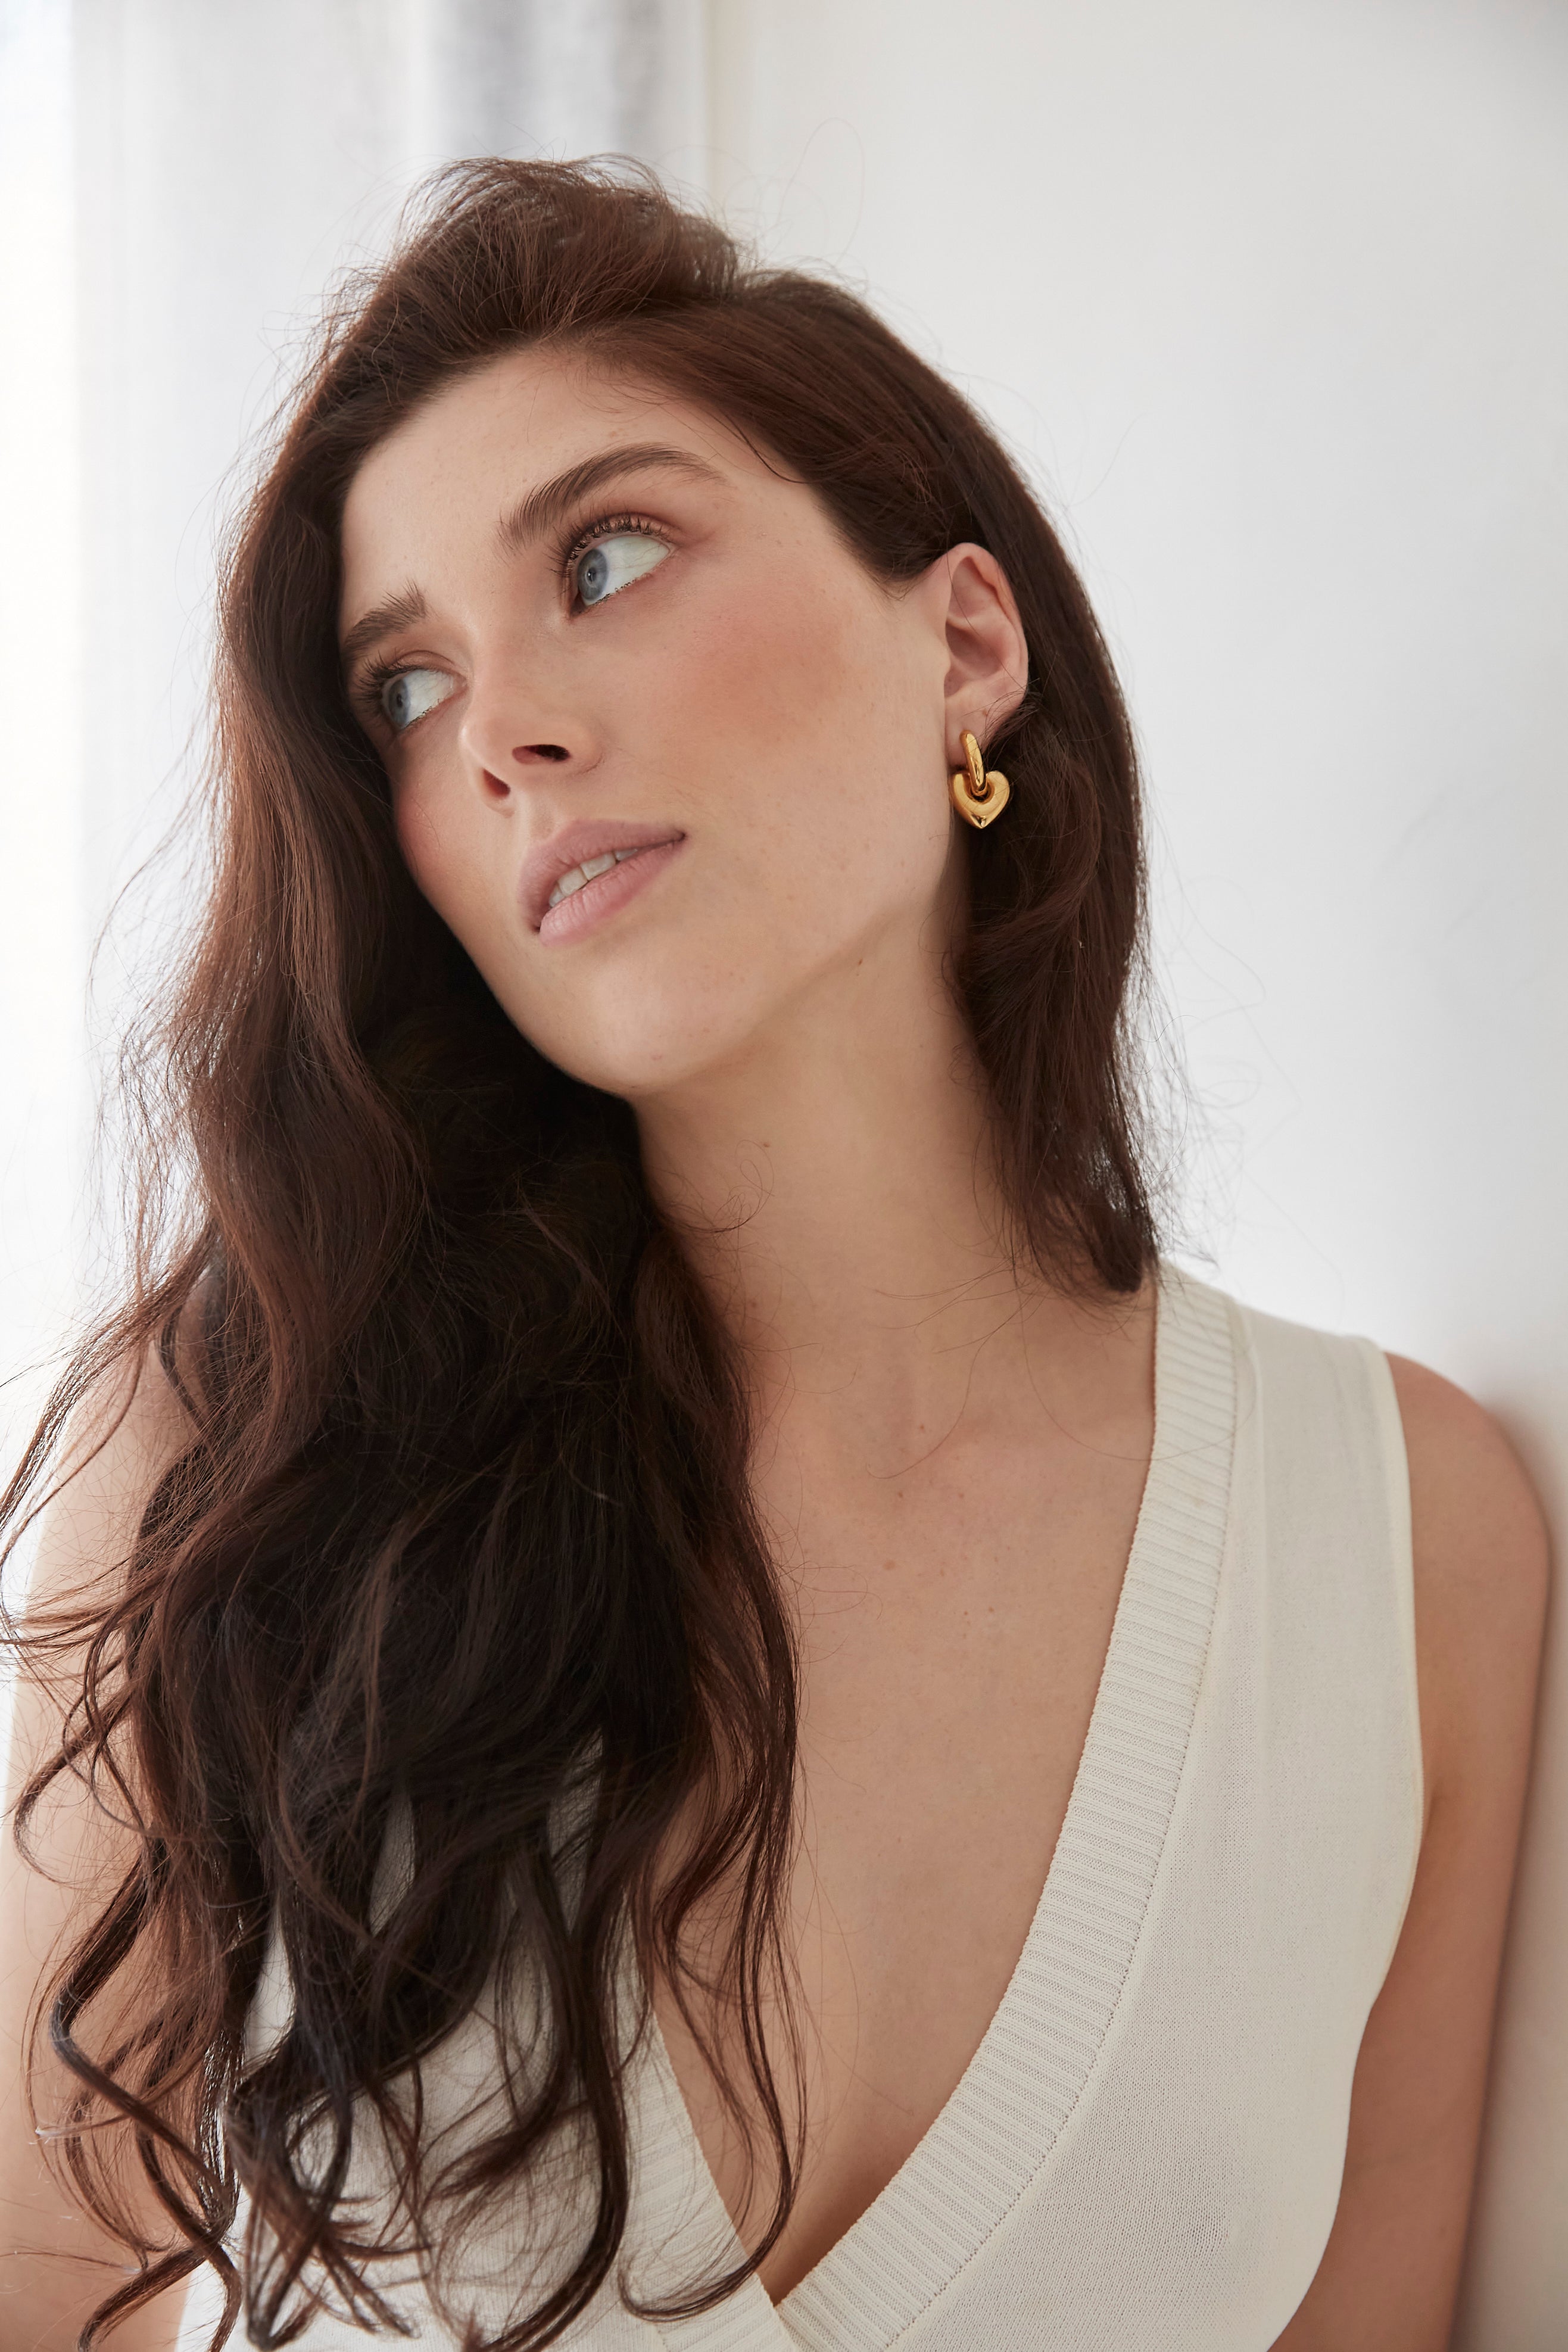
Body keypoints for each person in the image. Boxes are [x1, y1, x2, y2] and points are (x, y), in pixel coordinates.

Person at [0, 160, 1547, 2352]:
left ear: (965, 644)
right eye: (404, 687)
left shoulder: (1394, 1541)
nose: (503, 731)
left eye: (605, 558)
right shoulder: (241, 1463)